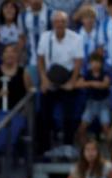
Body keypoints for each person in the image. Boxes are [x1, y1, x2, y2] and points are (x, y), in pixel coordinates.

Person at [37, 11, 84, 146]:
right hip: (50, 77)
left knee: (69, 115)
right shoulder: (45, 37)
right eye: (57, 21)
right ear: (53, 23)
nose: (60, 24)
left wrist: (72, 82)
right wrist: (43, 79)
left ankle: (68, 145)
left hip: (67, 77)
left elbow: (78, 62)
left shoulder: (76, 38)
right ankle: (44, 146)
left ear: (67, 23)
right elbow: (40, 59)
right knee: (44, 114)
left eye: (62, 21)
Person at [76, 53, 111, 141]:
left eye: (98, 62)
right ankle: (85, 149)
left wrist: (91, 84)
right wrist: (92, 83)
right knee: (81, 129)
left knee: (106, 129)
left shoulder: (105, 73)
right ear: (90, 63)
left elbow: (105, 84)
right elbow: (77, 84)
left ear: (101, 64)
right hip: (91, 104)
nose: (95, 64)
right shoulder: (87, 73)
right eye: (93, 62)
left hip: (103, 103)